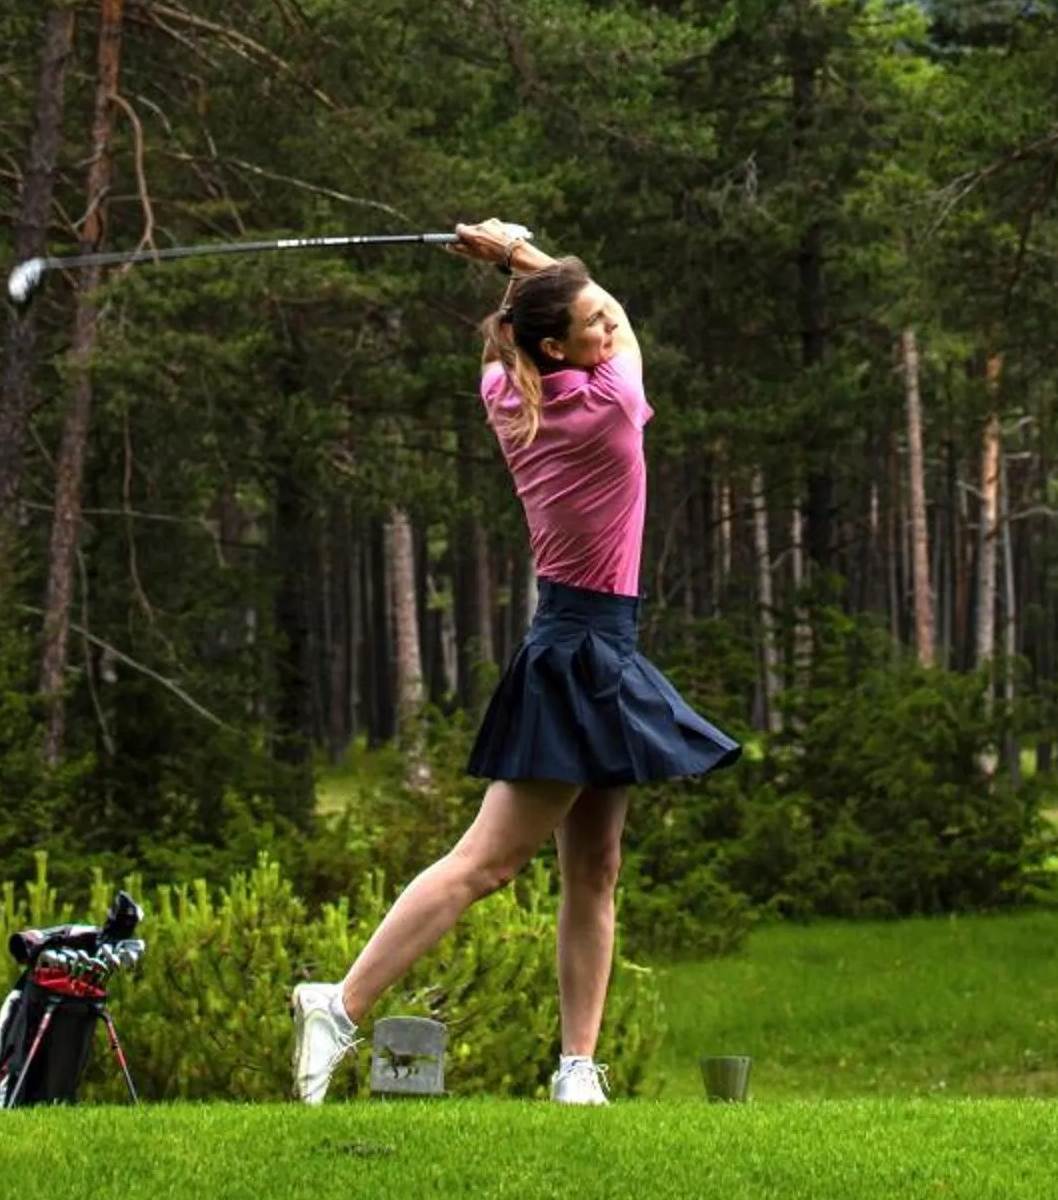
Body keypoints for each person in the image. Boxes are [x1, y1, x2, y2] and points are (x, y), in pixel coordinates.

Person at [292, 215, 739, 1105]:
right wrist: (515, 250)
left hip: (589, 645)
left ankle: (577, 1066)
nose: (608, 327)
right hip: (583, 651)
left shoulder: (506, 393)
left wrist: (515, 270)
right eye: (592, 327)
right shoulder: (612, 405)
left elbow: (546, 323)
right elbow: (615, 308)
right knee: (487, 864)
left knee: (595, 868)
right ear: (558, 345)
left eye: (603, 325)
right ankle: (337, 1006)